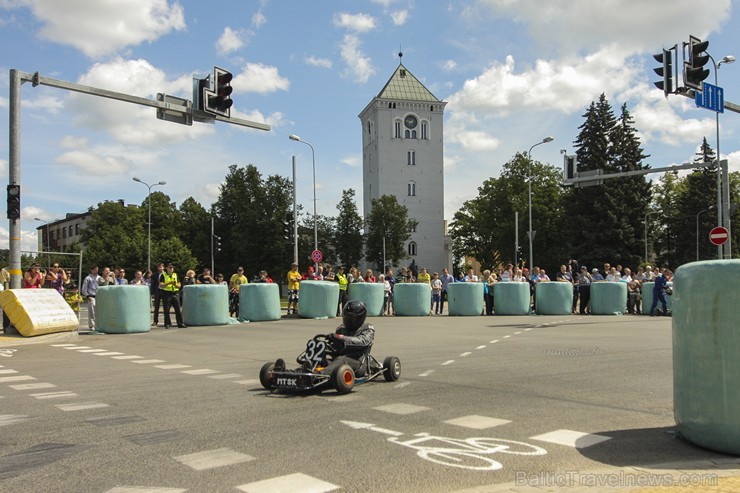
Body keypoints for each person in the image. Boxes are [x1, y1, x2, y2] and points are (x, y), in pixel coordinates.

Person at [324, 300, 375, 377]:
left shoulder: (367, 328)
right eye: (346, 317)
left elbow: (362, 341)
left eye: (351, 318)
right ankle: (304, 373)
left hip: (358, 362)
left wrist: (340, 338)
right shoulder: (341, 329)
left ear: (360, 317)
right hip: (338, 360)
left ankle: (319, 375)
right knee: (322, 361)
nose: (348, 320)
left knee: (342, 360)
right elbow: (336, 347)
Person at [160, 263, 186, 328]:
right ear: (167, 268)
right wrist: (169, 283)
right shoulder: (163, 275)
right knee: (166, 309)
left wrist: (174, 284)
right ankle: (167, 323)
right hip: (166, 293)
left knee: (177, 309)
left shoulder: (175, 275)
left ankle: (180, 323)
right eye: (169, 267)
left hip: (175, 293)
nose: (171, 269)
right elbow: (161, 285)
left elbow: (179, 285)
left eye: (172, 268)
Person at [81, 266, 102, 331]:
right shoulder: (88, 278)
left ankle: (98, 324)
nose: (96, 271)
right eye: (95, 270)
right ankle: (91, 325)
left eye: (97, 270)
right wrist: (87, 295)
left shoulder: (99, 278)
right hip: (91, 295)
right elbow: (84, 288)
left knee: (98, 311)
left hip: (98, 296)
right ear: (91, 270)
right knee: (92, 311)